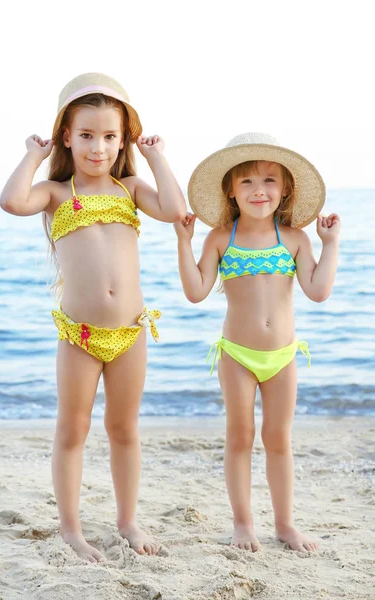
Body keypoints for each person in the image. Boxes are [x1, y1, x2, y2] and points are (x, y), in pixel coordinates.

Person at [0, 72, 186, 562]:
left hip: (130, 332)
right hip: (79, 336)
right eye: (86, 135)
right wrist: (33, 156)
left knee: (124, 429)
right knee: (72, 429)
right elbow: (12, 201)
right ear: (67, 136)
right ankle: (71, 530)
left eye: (109, 136)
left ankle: (127, 519)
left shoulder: (130, 188)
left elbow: (174, 208)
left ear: (122, 139)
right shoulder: (57, 193)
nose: (98, 147)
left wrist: (156, 155)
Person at [174, 133, 340, 552]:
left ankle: (285, 525)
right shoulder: (219, 238)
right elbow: (195, 292)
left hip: (283, 356)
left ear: (285, 189)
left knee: (278, 438)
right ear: (230, 189)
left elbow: (318, 291)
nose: (258, 190)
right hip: (237, 355)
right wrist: (183, 242)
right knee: (240, 434)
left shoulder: (296, 238)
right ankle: (243, 524)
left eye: (269, 181)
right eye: (246, 182)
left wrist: (331, 245)